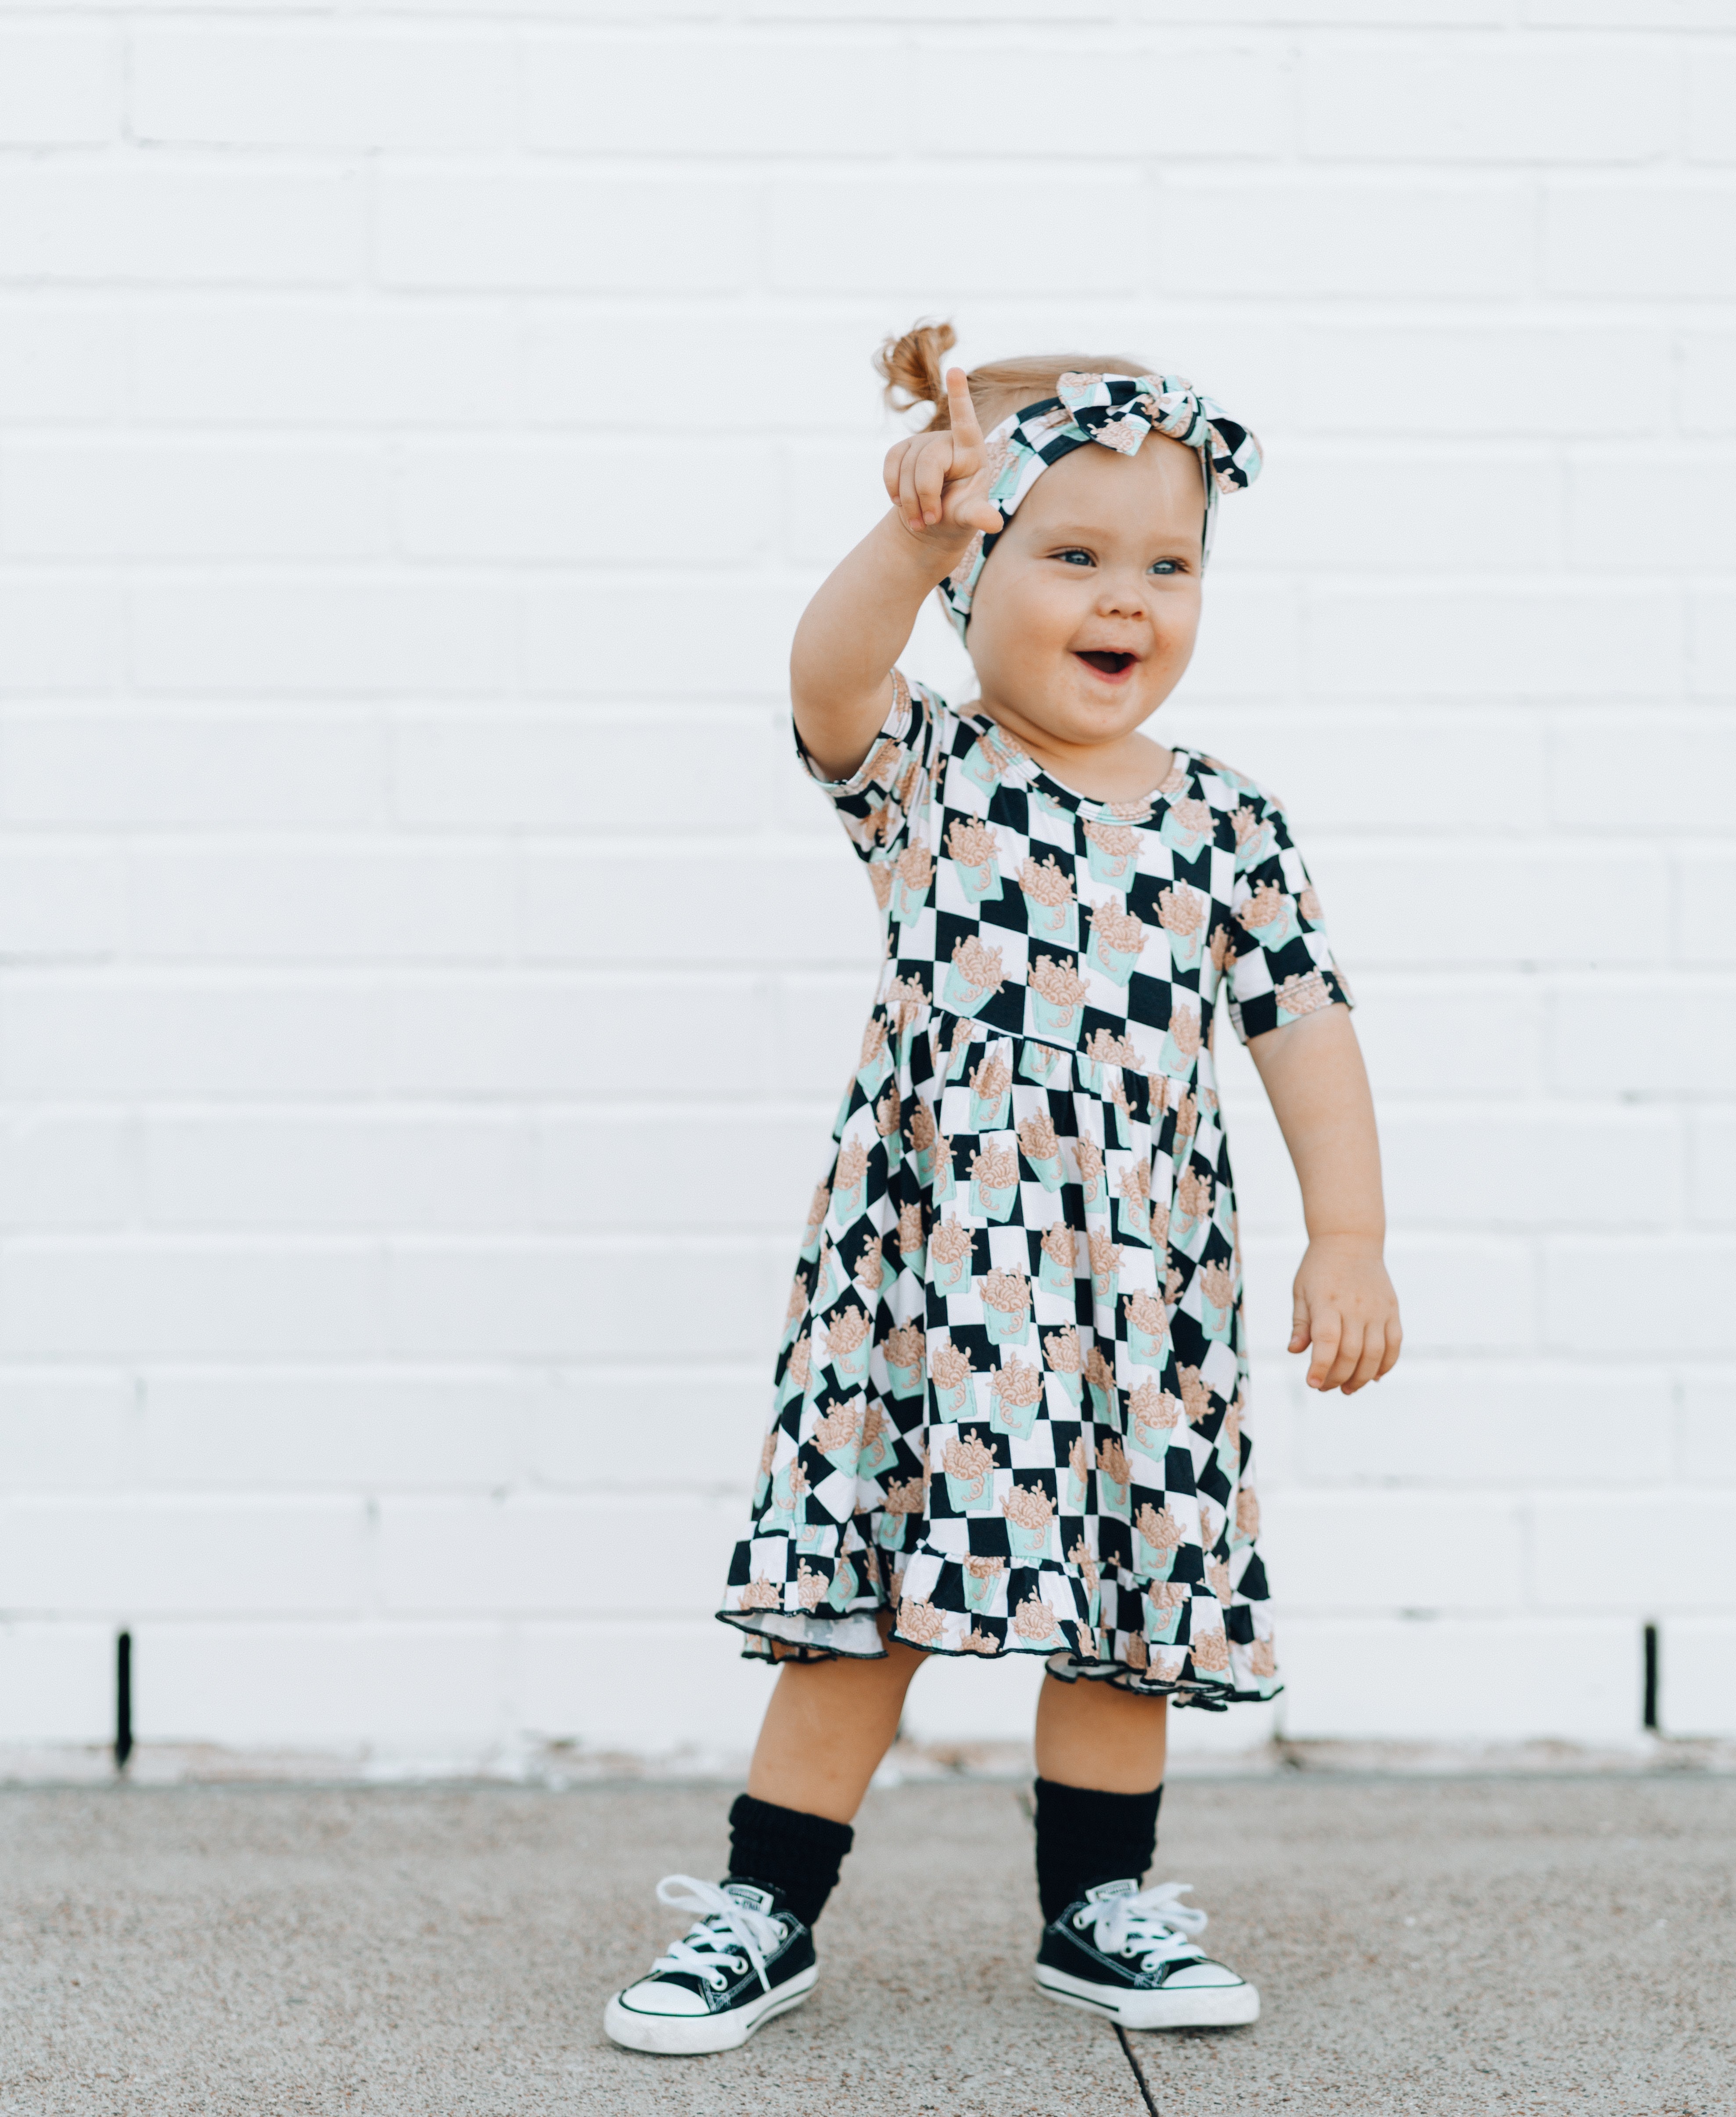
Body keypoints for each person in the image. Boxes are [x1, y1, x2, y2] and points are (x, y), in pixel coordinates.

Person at [604, 324, 1402, 2056]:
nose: (1125, 598)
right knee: (865, 1604)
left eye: (1166, 564)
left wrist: (1351, 1236)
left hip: (1138, 1293)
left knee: (1124, 1603)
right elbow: (824, 679)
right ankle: (764, 1903)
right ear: (976, 571)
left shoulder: (1226, 826)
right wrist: (903, 538)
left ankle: (1098, 1907)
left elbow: (1304, 1033)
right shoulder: (935, 779)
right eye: (1069, 552)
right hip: (931, 1285)